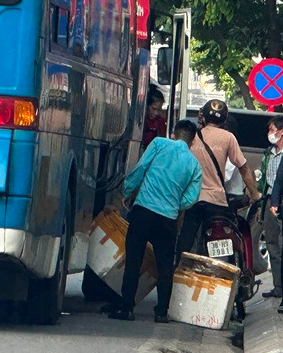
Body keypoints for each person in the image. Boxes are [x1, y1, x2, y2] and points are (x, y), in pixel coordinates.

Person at [109, 119, 203, 322]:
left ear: (173, 134)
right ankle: (161, 312)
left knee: (134, 259)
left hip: (143, 210)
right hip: (168, 219)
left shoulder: (159, 144)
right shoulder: (195, 165)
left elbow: (141, 168)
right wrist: (176, 205)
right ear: (192, 142)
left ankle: (126, 307)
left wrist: (127, 191)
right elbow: (191, 197)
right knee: (165, 265)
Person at [176, 99, 261, 262]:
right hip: (217, 202)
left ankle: (181, 270)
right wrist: (254, 193)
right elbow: (243, 168)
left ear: (204, 116)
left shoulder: (193, 136)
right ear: (224, 119)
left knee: (185, 243)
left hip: (192, 200)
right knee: (221, 245)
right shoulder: (228, 138)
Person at [260, 116, 283, 298]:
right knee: (272, 244)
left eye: (272, 129)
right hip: (269, 201)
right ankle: (278, 286)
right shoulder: (269, 153)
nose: (270, 134)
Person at [141, 86, 167, 151]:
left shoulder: (160, 121)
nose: (156, 113)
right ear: (146, 106)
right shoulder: (140, 121)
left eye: (159, 110)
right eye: (153, 109)